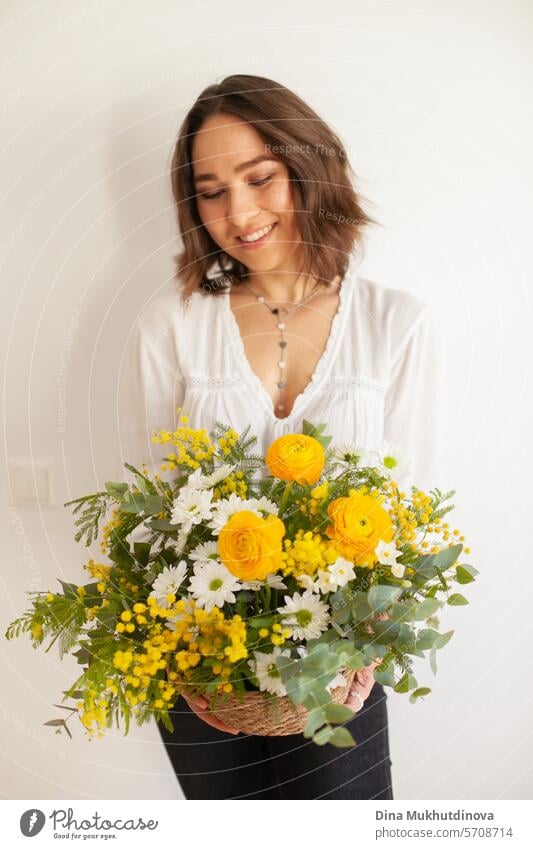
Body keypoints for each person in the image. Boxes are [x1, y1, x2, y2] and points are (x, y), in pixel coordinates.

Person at [117, 74, 440, 799]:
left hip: (341, 666)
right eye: (210, 190)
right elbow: (140, 508)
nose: (238, 211)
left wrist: (370, 648)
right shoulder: (168, 326)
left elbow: (410, 506)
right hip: (205, 670)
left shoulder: (394, 323)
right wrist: (175, 660)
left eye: (259, 177)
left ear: (308, 165)